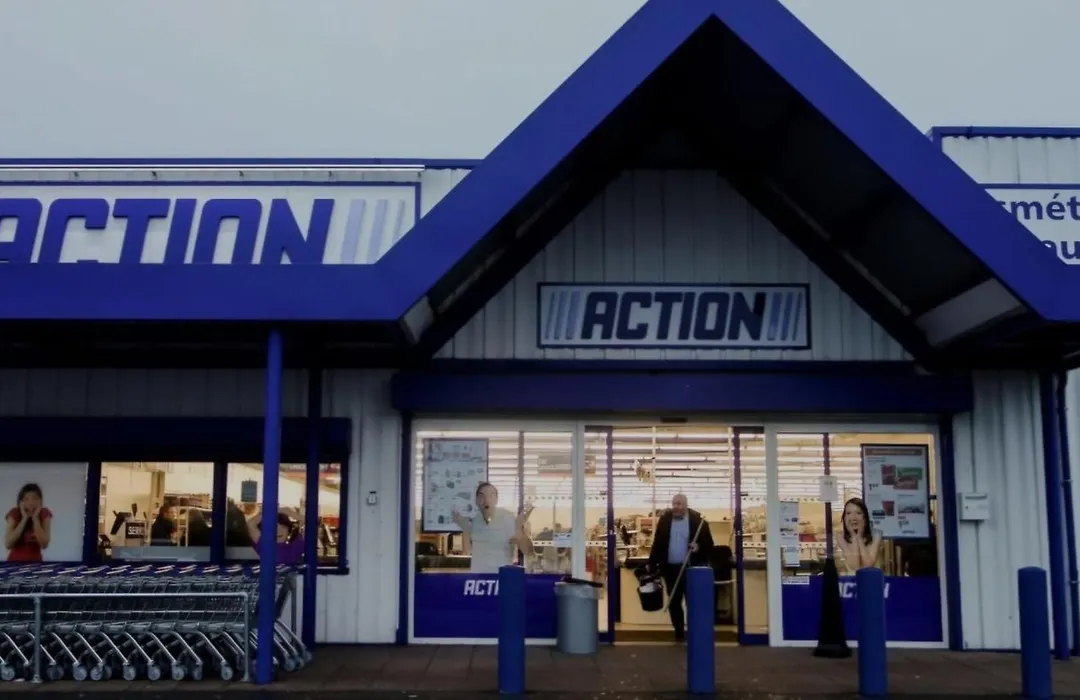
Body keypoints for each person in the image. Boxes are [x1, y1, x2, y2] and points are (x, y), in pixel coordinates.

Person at [648, 493, 714, 642]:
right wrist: (651, 563)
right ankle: (679, 633)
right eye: (674, 504)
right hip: (670, 569)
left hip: (691, 569)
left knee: (692, 601)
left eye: (679, 504)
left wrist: (698, 547)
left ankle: (694, 631)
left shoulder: (698, 521)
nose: (676, 507)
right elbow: (658, 542)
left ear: (685, 505)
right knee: (674, 602)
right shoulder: (665, 520)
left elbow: (709, 545)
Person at [452, 482, 534, 574]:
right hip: (478, 578)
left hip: (500, 578)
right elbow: (467, 551)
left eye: (491, 496)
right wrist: (465, 528)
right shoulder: (475, 519)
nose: (486, 500)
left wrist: (518, 529)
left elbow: (528, 551)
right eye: (482, 496)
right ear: (476, 501)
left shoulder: (507, 518)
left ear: (496, 500)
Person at [4, 483, 52, 563]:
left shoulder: (44, 513)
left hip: (35, 564)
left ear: (40, 501)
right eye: (26, 499)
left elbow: (44, 544)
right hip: (14, 563)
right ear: (21, 502)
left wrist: (35, 518)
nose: (30, 502)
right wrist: (24, 518)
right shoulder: (14, 513)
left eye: (35, 498)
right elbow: (8, 544)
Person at [836, 497, 882, 573]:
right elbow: (855, 566)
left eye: (858, 513)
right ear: (844, 517)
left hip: (872, 579)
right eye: (848, 513)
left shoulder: (876, 534)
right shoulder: (840, 536)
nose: (853, 518)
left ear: (865, 517)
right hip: (851, 580)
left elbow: (868, 565)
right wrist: (854, 536)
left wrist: (859, 537)